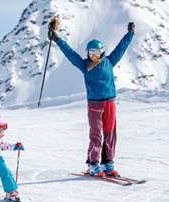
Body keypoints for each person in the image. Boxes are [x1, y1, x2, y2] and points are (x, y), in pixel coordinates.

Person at [48, 19, 135, 177]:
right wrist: (57, 39)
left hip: (110, 103)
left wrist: (130, 34)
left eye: (96, 51)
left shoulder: (109, 61)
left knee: (110, 133)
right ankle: (94, 164)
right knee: (96, 134)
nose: (93, 55)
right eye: (90, 52)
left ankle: (108, 162)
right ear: (87, 53)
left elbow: (121, 48)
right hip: (95, 104)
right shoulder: (84, 65)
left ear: (102, 52)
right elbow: (70, 53)